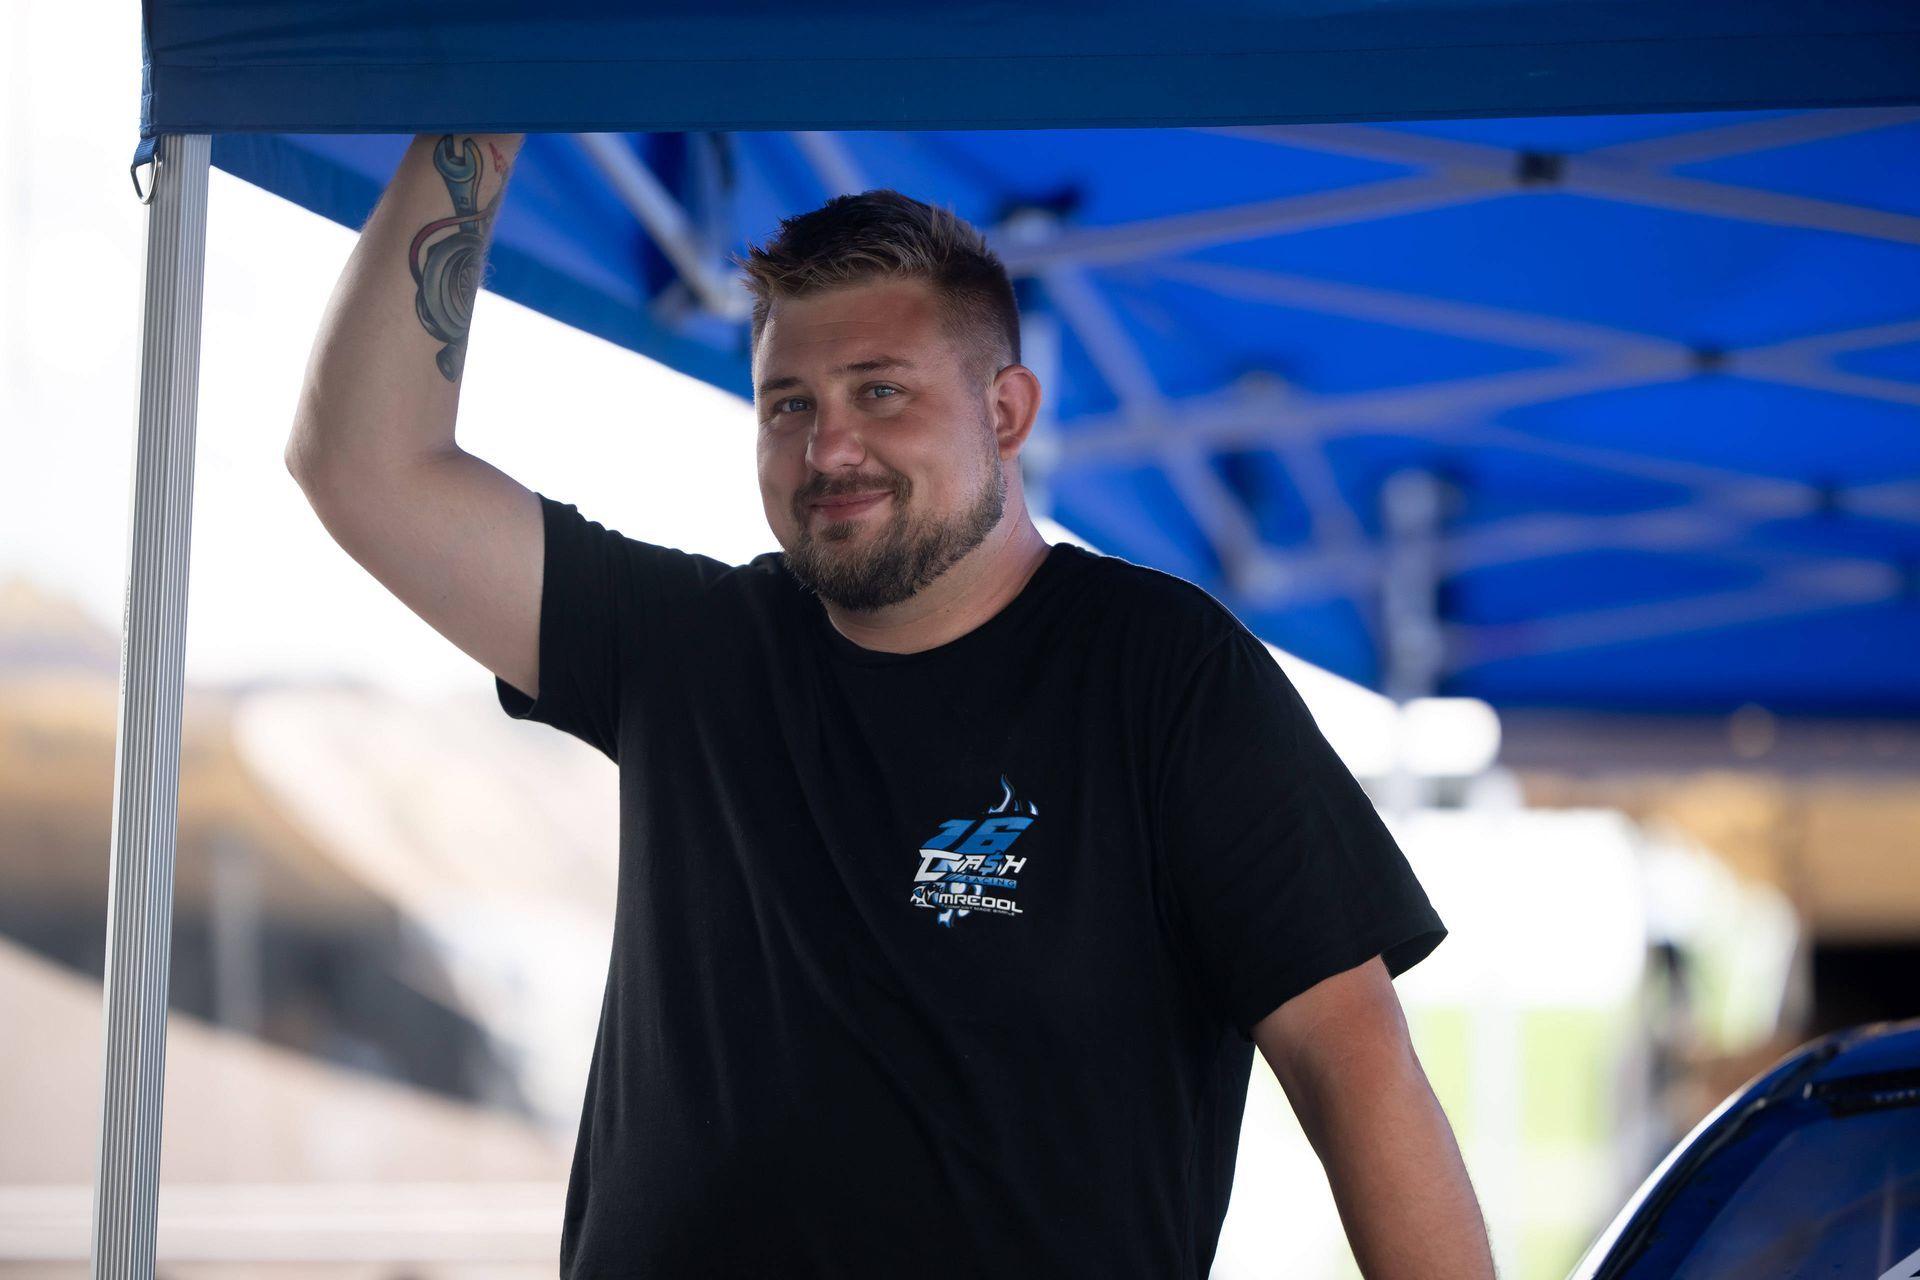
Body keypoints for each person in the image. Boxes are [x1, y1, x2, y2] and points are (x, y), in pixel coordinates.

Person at [288, 131, 1496, 1279]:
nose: (827, 448)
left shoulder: (1165, 670)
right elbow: (363, 466)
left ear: (1008, 412)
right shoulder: (688, 645)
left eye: (880, 391)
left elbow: (1357, 1068)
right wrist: (481, 124)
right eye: (788, 404)